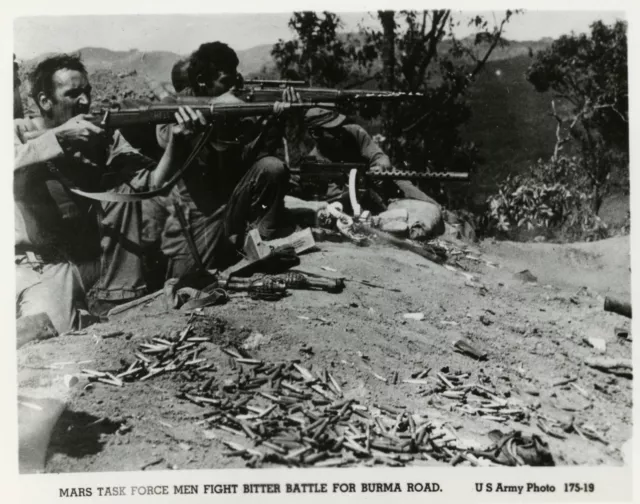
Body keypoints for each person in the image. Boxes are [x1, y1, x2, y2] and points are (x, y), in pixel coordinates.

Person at [14, 54, 206, 333]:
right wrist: (59, 139)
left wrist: (176, 142)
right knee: (41, 331)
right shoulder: (19, 132)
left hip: (82, 263)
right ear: (45, 102)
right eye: (72, 94)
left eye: (86, 93)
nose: (84, 102)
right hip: (30, 263)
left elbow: (150, 183)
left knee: (51, 333)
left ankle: (114, 300)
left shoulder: (101, 136)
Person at [157, 42, 297, 278]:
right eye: (225, 82)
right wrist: (215, 111)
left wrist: (273, 122)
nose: (233, 89)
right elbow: (164, 138)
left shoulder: (236, 103)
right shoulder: (175, 106)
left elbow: (255, 157)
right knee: (188, 283)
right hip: (195, 212)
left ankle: (261, 243)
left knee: (272, 168)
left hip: (233, 201)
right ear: (202, 80)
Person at [301, 107, 445, 237]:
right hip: (361, 201)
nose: (339, 132)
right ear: (315, 134)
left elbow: (379, 157)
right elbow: (330, 200)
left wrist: (380, 168)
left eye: (338, 126)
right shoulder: (316, 162)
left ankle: (446, 216)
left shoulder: (353, 133)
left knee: (431, 205)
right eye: (331, 130)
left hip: (381, 180)